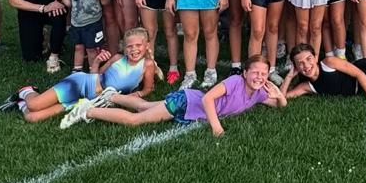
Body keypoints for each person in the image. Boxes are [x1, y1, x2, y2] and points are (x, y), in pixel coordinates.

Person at [71, 55, 286, 135]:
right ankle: (87, 111)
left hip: (188, 105)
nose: (259, 77)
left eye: (263, 74)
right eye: (255, 72)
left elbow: (279, 105)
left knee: (144, 106)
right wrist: (216, 127)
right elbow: (207, 98)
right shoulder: (235, 81)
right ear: (245, 73)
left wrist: (279, 95)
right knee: (136, 120)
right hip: (186, 102)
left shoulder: (258, 93)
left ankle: (112, 96)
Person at [0, 27, 156, 124]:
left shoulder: (147, 65)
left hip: (85, 100)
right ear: (125, 48)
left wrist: (138, 94)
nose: (134, 50)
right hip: (79, 84)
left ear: (147, 45)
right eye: (130, 46)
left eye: (138, 45)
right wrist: (96, 63)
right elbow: (95, 76)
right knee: (34, 105)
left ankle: (21, 103)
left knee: (32, 117)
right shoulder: (117, 58)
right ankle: (27, 90)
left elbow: (148, 88)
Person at [60, 0, 109, 73]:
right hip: (77, 24)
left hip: (93, 23)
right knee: (78, 47)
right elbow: (70, 4)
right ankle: (77, 70)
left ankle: (94, 70)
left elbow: (106, 3)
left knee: (92, 49)